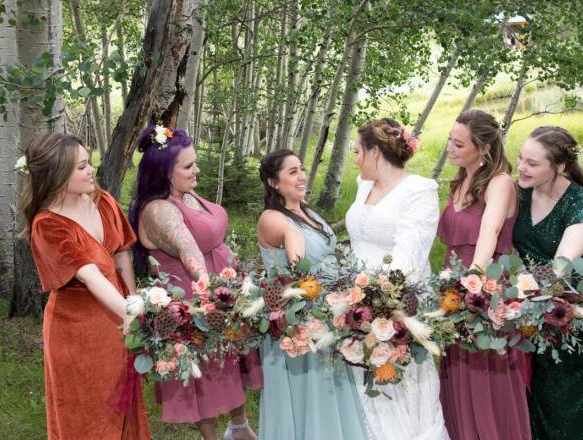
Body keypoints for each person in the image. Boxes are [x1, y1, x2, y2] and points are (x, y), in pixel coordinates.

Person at [128, 126, 262, 440]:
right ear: (164, 173)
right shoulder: (160, 210)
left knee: (231, 361)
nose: (197, 170)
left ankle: (239, 428)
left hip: (223, 286)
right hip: (192, 298)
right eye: (188, 166)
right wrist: (214, 293)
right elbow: (190, 252)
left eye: (195, 162)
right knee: (206, 374)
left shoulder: (187, 194)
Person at [21, 133, 150, 439]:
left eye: (89, 162)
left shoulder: (103, 201)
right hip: (76, 332)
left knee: (122, 407)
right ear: (57, 175)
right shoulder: (48, 224)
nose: (91, 170)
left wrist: (132, 302)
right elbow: (89, 274)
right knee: (86, 412)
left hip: (118, 319)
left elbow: (121, 252)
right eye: (81, 167)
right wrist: (128, 312)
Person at [345, 118, 450, 440]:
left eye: (359, 151)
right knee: (361, 389)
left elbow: (409, 255)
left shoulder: (419, 190)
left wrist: (379, 304)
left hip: (396, 307)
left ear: (375, 152)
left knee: (397, 389)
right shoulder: (364, 185)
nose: (355, 159)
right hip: (353, 305)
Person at [512, 126, 583, 440]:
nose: (521, 167)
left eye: (532, 163)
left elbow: (561, 265)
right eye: (520, 157)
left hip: (574, 312)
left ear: (559, 167)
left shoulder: (579, 203)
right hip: (536, 309)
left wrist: (520, 287)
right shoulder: (522, 191)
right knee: (542, 389)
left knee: (574, 398)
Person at [257, 149, 368, 440]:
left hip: (325, 313)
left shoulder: (307, 210)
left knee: (329, 390)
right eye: (292, 172)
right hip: (296, 321)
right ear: (273, 182)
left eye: (302, 169)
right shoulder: (271, 218)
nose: (302, 176)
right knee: (308, 396)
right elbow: (298, 258)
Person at [436, 110, 531, 440]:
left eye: (458, 143)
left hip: (484, 290)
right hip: (453, 287)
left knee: (486, 372)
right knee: (457, 371)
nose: (449, 147)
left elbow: (489, 232)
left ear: (485, 148)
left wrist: (472, 287)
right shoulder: (461, 179)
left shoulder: (500, 183)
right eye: (450, 139)